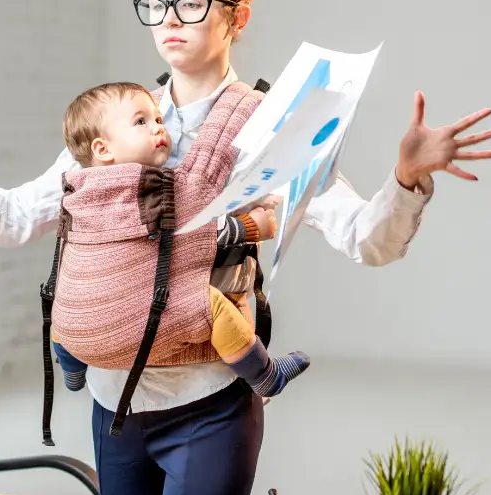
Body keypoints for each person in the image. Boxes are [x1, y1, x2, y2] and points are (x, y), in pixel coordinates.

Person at [0, 0, 491, 495]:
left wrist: (407, 178)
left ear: (236, 16)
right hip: (112, 406)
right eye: (156, 4)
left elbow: (369, 241)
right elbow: (10, 220)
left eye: (190, 2)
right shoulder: (117, 122)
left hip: (208, 406)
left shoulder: (274, 125)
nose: (170, 21)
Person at [50, 80, 310, 399]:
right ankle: (265, 374)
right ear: (103, 149)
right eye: (140, 122)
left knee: (66, 300)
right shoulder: (149, 188)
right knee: (215, 306)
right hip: (132, 331)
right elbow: (194, 234)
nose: (158, 127)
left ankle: (72, 371)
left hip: (76, 335)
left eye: (158, 119)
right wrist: (253, 227)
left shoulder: (76, 192)